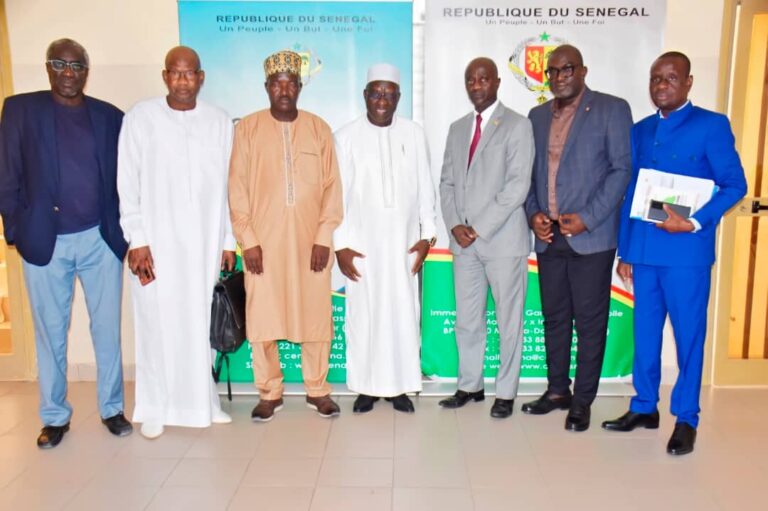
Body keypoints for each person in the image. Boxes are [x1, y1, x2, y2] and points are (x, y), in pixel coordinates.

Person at [602, 51, 747, 455]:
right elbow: (632, 191)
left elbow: (735, 185)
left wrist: (695, 222)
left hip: (686, 255)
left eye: (670, 78)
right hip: (645, 254)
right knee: (645, 336)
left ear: (688, 83)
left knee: (688, 338)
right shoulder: (641, 129)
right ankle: (644, 406)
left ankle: (686, 418)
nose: (661, 85)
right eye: (655, 78)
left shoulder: (712, 125)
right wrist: (626, 251)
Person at [0, 38, 132, 448]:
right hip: (46, 241)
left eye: (76, 66)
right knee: (51, 333)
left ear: (86, 71)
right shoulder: (21, 110)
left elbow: (126, 176)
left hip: (99, 240)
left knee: (107, 330)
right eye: (60, 64)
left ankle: (112, 409)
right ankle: (55, 416)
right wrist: (16, 231)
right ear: (48, 67)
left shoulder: (110, 116)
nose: (68, 72)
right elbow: (7, 174)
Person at [117, 46, 235, 439]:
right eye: (176, 73)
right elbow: (126, 183)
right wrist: (137, 238)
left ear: (201, 78)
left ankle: (204, 402)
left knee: (199, 320)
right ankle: (155, 407)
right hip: (154, 245)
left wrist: (228, 239)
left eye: (190, 73)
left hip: (203, 242)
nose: (183, 80)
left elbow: (230, 186)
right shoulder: (141, 118)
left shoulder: (219, 122)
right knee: (156, 322)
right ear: (165, 76)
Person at [522, 45, 632, 432]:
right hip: (549, 235)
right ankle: (557, 391)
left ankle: (582, 400)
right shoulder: (536, 116)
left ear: (583, 71)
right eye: (552, 71)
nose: (559, 77)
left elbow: (621, 170)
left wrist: (587, 218)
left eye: (566, 69)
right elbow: (528, 174)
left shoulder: (611, 109)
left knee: (589, 322)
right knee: (554, 318)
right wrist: (533, 214)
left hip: (591, 237)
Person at [228, 50, 343, 422]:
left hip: (311, 244)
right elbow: (237, 189)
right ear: (266, 87)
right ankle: (269, 392)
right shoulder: (247, 129)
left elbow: (332, 187)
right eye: (277, 84)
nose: (284, 90)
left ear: (299, 87)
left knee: (315, 316)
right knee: (263, 316)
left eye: (290, 83)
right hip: (263, 245)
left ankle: (318, 390)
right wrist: (248, 240)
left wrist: (324, 236)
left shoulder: (318, 129)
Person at [334, 63, 437, 414]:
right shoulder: (345, 137)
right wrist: (340, 245)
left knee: (402, 315)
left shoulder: (414, 133)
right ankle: (366, 387)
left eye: (389, 94)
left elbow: (425, 188)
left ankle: (398, 387)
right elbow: (337, 197)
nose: (382, 100)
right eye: (376, 93)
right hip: (361, 247)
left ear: (399, 98)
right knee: (365, 316)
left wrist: (427, 236)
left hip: (403, 245)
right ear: (365, 95)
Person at [438, 57, 534, 419]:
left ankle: (505, 392)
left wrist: (476, 227)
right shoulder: (457, 128)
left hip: (502, 241)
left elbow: (517, 187)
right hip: (463, 244)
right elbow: (447, 183)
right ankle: (470, 385)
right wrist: (454, 225)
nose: (476, 85)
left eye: (483, 79)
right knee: (467, 320)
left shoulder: (517, 125)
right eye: (470, 80)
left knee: (509, 322)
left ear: (496, 82)